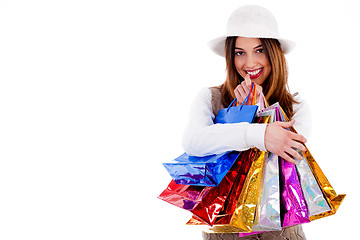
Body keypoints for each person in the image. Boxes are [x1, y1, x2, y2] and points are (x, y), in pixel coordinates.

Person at [182, 5, 310, 240]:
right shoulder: (211, 98)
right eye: (240, 52)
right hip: (224, 232)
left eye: (259, 50)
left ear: (274, 53)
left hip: (282, 233)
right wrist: (256, 130)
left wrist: (261, 112)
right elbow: (193, 143)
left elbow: (292, 157)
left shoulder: (296, 105)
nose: (249, 63)